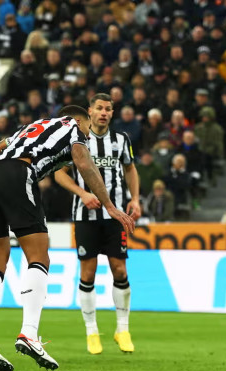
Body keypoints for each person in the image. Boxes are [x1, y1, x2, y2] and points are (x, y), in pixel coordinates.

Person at [0, 105, 135, 371]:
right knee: (39, 257)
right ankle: (29, 334)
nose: (88, 133)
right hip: (18, 174)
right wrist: (110, 205)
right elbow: (84, 163)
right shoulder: (73, 128)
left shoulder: (30, 128)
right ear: (80, 120)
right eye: (87, 127)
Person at [53, 93, 141, 355]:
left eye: (108, 109)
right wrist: (82, 194)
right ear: (89, 112)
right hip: (85, 217)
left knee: (120, 270)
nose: (104, 112)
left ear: (112, 113)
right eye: (99, 108)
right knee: (88, 274)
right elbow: (59, 174)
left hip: (116, 218)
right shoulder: (77, 139)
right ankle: (92, 331)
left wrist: (135, 198)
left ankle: (122, 329)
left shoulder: (121, 140)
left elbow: (130, 169)